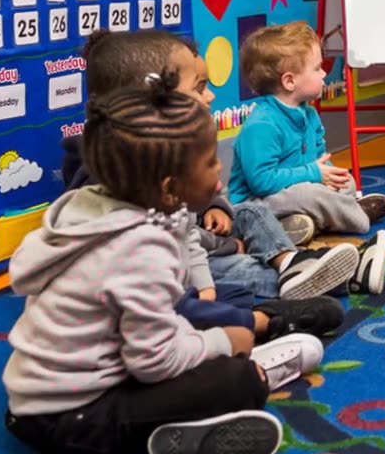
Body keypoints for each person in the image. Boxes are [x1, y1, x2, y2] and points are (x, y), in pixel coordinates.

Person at [3, 83, 324, 454]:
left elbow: (151, 322)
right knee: (241, 383)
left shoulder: (99, 206)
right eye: (209, 161)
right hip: (72, 421)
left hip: (42, 402)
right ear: (170, 188)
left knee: (210, 335)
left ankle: (228, 365)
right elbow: (153, 363)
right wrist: (221, 342)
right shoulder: (140, 248)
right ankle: (177, 424)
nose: (219, 167)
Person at [65, 29, 368, 304]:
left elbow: (203, 194)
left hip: (203, 237)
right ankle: (328, 277)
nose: (210, 96)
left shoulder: (173, 143)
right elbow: (166, 245)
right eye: (198, 87)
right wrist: (226, 246)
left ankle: (293, 262)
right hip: (175, 263)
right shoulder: (110, 170)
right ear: (152, 95)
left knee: (252, 212)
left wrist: (216, 207)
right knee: (235, 269)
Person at [230, 21, 385, 295]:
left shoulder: (309, 114)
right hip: (255, 203)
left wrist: (329, 175)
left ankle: (303, 224)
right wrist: (316, 175)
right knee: (309, 194)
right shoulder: (262, 124)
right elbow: (262, 181)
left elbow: (319, 159)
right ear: (289, 80)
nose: (325, 72)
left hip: (295, 191)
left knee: (345, 182)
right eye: (317, 68)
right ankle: (356, 214)